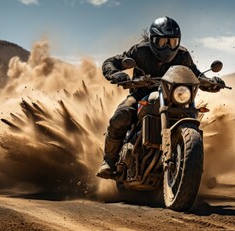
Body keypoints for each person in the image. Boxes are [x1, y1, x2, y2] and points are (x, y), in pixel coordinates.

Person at [96, 16, 225, 179]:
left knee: (193, 113)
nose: (167, 47)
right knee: (122, 114)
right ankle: (109, 160)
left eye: (172, 42)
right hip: (141, 95)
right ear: (152, 40)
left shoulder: (183, 55)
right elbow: (111, 62)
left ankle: (193, 168)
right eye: (162, 42)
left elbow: (195, 75)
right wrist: (116, 73)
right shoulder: (140, 51)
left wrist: (212, 83)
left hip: (174, 98)